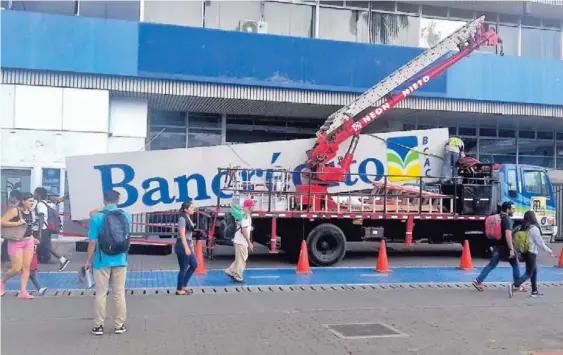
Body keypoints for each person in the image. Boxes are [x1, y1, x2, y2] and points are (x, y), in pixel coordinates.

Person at [85, 190, 131, 336]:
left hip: (101, 260)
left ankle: (99, 326)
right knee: (119, 293)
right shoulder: (126, 215)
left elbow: (92, 242)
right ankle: (119, 325)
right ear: (118, 200)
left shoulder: (97, 217)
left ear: (104, 200)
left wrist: (88, 260)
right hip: (121, 259)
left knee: (101, 293)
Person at [472, 201, 525, 292]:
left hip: (497, 246)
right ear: (507, 209)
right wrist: (511, 249)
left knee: (491, 265)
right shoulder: (507, 219)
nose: (514, 211)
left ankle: (478, 281)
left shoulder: (498, 217)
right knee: (515, 264)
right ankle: (517, 285)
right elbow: (508, 234)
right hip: (506, 247)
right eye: (512, 209)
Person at [0, 192, 40, 299]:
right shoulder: (15, 211)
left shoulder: (32, 212)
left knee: (26, 267)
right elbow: (2, 221)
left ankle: (23, 291)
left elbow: (30, 227)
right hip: (16, 242)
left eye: (33, 201)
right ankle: (2, 282)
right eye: (30, 201)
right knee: (16, 268)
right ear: (23, 201)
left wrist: (33, 238)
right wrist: (16, 223)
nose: (32, 203)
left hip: (28, 241)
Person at [509, 210, 557, 298]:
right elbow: (540, 243)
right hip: (531, 253)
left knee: (534, 271)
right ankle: (515, 284)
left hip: (525, 252)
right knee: (529, 273)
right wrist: (549, 250)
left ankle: (534, 291)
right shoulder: (533, 229)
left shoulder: (522, 227)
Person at [34, 187, 70, 270]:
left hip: (42, 229)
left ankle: (63, 259)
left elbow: (42, 217)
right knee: (43, 246)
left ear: (38, 195)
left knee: (43, 246)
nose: (34, 194)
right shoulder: (50, 204)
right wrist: (66, 196)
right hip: (47, 229)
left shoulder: (40, 204)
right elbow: (60, 200)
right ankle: (33, 264)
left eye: (35, 193)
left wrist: (39, 232)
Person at [224, 199, 255, 283]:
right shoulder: (245, 216)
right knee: (242, 260)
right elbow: (244, 230)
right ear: (249, 207)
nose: (254, 207)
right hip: (242, 241)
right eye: (253, 205)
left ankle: (230, 271)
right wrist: (249, 242)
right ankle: (238, 276)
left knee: (239, 259)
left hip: (238, 240)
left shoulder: (243, 214)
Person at [175, 202, 198, 295]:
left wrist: (191, 243)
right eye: (191, 207)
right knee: (183, 268)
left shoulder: (188, 218)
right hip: (182, 244)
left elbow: (189, 233)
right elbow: (182, 235)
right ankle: (179, 289)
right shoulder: (182, 219)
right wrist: (186, 247)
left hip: (187, 243)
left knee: (194, 265)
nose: (193, 209)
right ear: (185, 209)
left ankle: (184, 285)